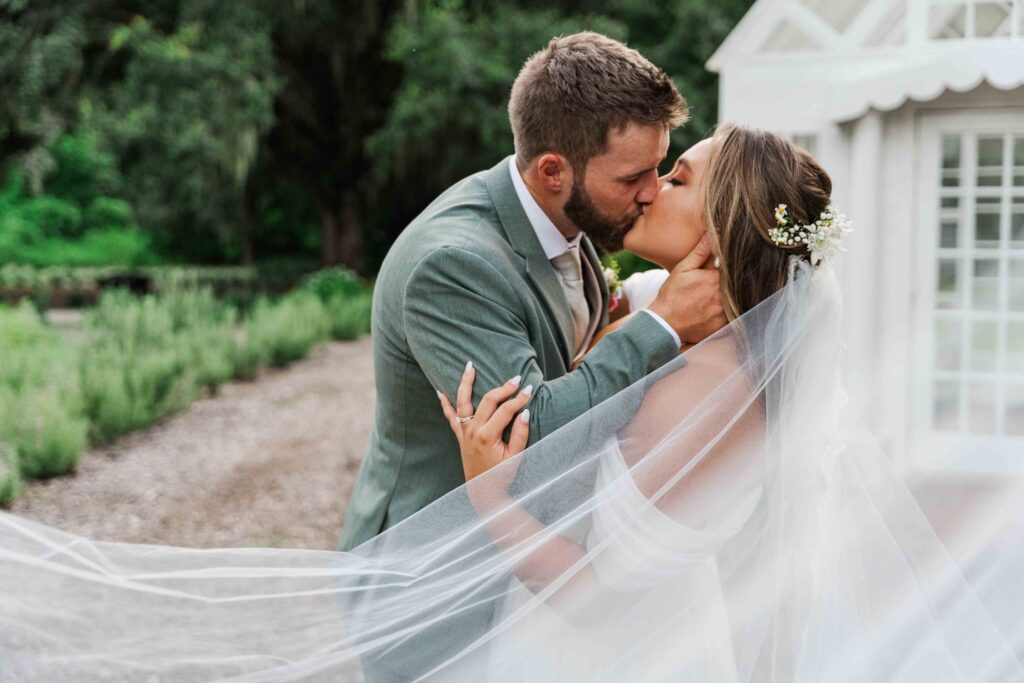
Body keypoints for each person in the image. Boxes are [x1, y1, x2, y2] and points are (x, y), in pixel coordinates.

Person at [1, 130, 1022, 683]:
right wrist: (631, 315)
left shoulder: (709, 397)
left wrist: (490, 488)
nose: (649, 186)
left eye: (676, 177)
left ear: (716, 227)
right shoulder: (665, 308)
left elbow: (593, 587)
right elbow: (624, 326)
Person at [337, 32, 725, 553]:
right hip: (435, 572)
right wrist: (663, 324)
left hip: (529, 561)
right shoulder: (454, 265)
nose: (652, 191)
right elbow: (533, 439)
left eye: (659, 167)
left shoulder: (564, 217)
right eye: (633, 176)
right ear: (552, 171)